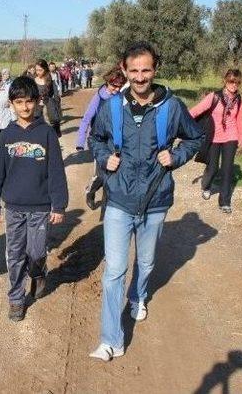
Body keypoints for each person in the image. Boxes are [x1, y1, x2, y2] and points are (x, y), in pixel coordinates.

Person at [88, 42, 202, 361]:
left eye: (146, 70)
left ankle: (138, 297)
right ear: (124, 70)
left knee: (147, 262)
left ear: (155, 70)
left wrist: (176, 155)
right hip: (120, 199)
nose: (140, 77)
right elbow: (95, 139)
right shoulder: (111, 107)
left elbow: (195, 137)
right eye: (134, 70)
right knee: (114, 270)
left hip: (156, 200)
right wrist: (104, 157)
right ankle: (111, 340)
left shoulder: (172, 106)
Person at [0, 76, 68, 321]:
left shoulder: (46, 134)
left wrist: (59, 204)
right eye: (19, 102)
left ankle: (38, 271)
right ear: (11, 103)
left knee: (36, 251)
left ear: (37, 102)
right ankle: (15, 298)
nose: (25, 107)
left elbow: (56, 171)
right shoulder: (6, 136)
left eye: (29, 101)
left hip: (40, 208)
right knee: (14, 253)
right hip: (13, 207)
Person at [189, 69, 242, 214]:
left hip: (231, 137)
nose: (234, 85)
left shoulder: (239, 99)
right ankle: (206, 186)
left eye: (237, 82)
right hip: (214, 137)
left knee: (227, 170)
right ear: (225, 81)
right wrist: (182, 120)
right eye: (231, 81)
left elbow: (240, 119)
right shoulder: (214, 97)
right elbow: (196, 110)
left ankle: (225, 202)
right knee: (213, 167)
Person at [75, 66, 127, 209]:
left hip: (116, 141)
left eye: (119, 86)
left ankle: (108, 206)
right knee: (102, 174)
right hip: (100, 141)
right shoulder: (99, 97)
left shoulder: (122, 98)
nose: (116, 89)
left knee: (115, 171)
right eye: (113, 85)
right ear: (107, 82)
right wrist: (80, 140)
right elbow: (86, 119)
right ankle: (90, 191)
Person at [33, 59, 62, 137]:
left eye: (40, 70)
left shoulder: (50, 82)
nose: (38, 72)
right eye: (36, 70)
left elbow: (56, 97)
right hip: (35, 112)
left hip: (48, 112)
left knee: (49, 134)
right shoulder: (32, 81)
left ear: (45, 69)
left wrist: (51, 104)